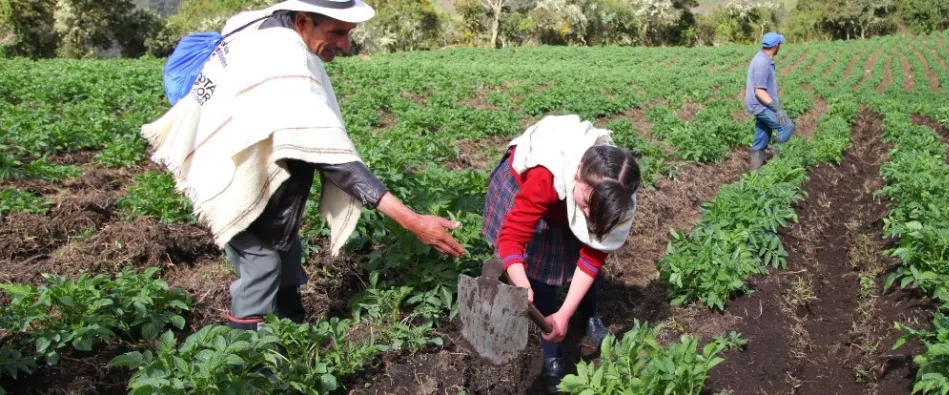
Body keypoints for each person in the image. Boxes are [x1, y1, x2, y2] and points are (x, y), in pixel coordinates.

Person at [140, 0, 466, 332]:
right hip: (226, 180)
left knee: (286, 254)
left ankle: (291, 337)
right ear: (302, 22)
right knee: (263, 266)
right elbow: (336, 161)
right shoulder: (285, 60)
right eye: (336, 32)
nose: (344, 44)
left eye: (348, 32)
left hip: (250, 172)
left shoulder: (267, 26)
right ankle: (239, 360)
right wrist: (413, 221)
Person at [481, 115, 640, 393]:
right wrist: (521, 281)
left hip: (570, 194)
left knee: (583, 260)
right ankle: (552, 354)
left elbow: (593, 256)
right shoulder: (547, 173)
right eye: (587, 205)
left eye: (598, 211)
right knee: (540, 276)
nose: (589, 216)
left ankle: (587, 315)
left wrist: (565, 313)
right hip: (525, 187)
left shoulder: (617, 196)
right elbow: (512, 237)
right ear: (577, 173)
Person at [744, 31, 794, 171]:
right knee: (786, 126)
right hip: (761, 106)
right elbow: (759, 91)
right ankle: (778, 166)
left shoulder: (764, 59)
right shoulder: (762, 63)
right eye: (780, 44)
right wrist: (777, 109)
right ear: (776, 45)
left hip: (763, 105)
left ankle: (755, 173)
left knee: (762, 136)